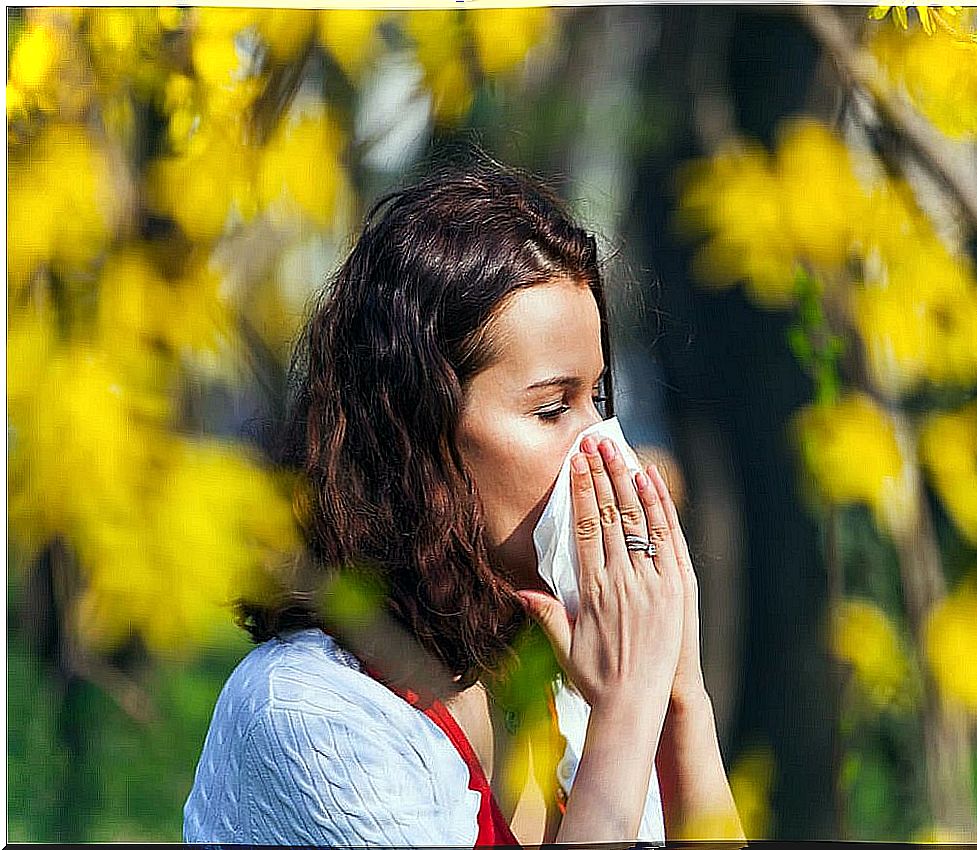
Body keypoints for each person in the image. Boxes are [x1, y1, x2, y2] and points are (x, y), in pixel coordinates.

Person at [183, 153, 745, 846]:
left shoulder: (560, 681)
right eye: (550, 409)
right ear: (415, 427)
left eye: (595, 399)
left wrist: (676, 699)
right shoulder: (308, 713)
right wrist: (627, 716)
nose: (604, 448)